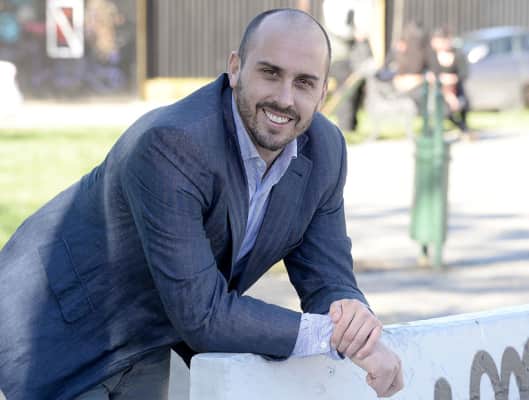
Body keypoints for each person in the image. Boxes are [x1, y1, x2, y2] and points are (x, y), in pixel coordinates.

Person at [0, 9, 403, 400]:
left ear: (323, 92)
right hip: (54, 321)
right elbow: (204, 315)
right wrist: (329, 335)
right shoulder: (172, 144)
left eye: (304, 83)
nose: (284, 98)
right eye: (270, 72)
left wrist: (352, 322)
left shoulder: (325, 151)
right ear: (235, 68)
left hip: (148, 333)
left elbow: (327, 278)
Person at [428, 27, 471, 136]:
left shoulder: (458, 55)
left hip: (456, 90)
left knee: (463, 103)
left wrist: (452, 80)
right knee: (444, 109)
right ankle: (462, 127)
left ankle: (463, 128)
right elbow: (431, 75)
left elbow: (464, 74)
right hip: (438, 91)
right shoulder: (431, 56)